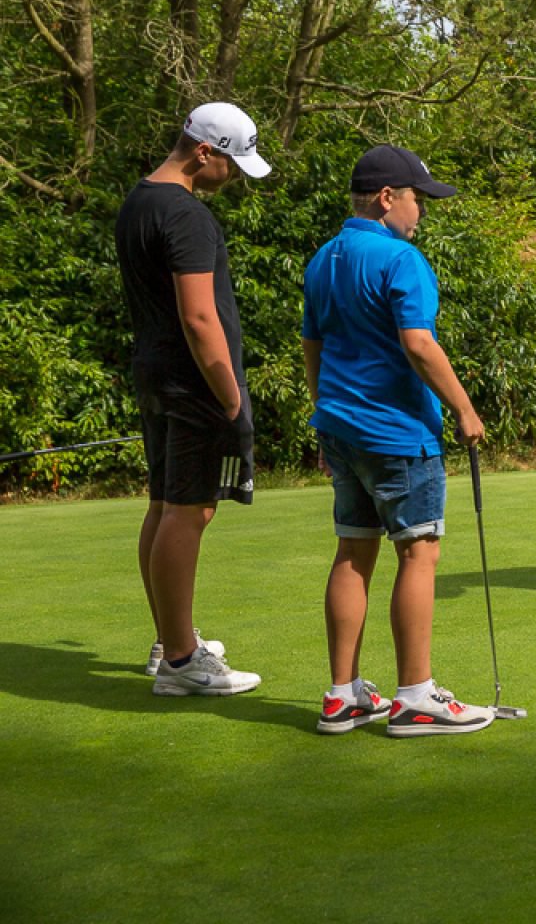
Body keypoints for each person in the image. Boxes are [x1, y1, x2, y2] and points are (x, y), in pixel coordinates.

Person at [302, 144, 492, 736]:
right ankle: (415, 697)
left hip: (340, 428)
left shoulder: (323, 259)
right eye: (417, 200)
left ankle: (343, 695)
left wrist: (326, 411)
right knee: (419, 552)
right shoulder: (399, 259)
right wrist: (464, 408)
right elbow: (419, 343)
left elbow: (313, 347)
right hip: (397, 433)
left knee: (353, 553)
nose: (421, 213)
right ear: (388, 199)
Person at [116, 102, 270, 697]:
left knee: (163, 503)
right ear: (203, 152)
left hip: (156, 374)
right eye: (229, 163)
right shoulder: (186, 217)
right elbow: (200, 317)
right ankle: (181, 662)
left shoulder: (138, 201)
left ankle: (169, 639)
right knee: (192, 509)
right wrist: (231, 397)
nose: (230, 176)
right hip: (194, 381)